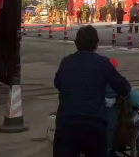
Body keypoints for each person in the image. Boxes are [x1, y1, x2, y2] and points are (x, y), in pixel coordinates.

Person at [53, 25, 131, 157]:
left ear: (76, 43)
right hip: (93, 125)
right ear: (96, 44)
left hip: (66, 124)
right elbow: (123, 87)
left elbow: (58, 84)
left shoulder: (66, 62)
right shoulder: (103, 63)